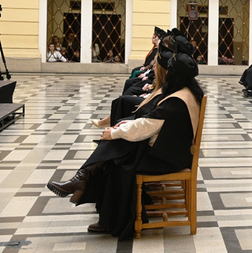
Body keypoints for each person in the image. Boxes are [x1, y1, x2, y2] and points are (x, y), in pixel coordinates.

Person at [46, 43, 203, 238]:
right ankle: (84, 178)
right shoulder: (188, 92)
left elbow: (147, 126)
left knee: (119, 160)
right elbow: (151, 123)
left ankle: (105, 210)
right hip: (172, 151)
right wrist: (122, 129)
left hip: (169, 158)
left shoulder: (177, 100)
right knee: (119, 146)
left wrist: (114, 133)